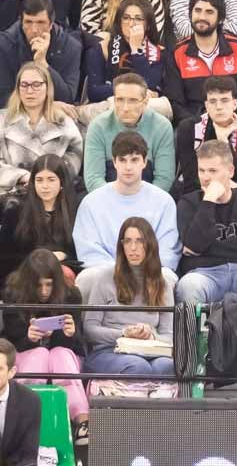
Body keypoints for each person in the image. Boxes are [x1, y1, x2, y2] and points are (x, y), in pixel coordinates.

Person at [174, 141, 237, 305]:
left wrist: (205, 249)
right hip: (206, 275)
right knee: (188, 285)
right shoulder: (188, 203)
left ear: (230, 171)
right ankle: (197, 332)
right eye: (202, 170)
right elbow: (193, 243)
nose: (206, 177)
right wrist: (209, 201)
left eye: (213, 171)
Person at [2, 249, 87, 442]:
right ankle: (21, 416)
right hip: (26, 354)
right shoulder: (13, 294)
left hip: (64, 355)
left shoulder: (71, 295)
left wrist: (68, 334)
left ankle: (82, 421)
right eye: (38, 285)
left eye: (49, 285)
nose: (43, 291)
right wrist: (28, 338)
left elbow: (75, 345)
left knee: (59, 354)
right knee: (39, 353)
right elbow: (11, 341)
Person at [81, 216, 176, 377]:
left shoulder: (162, 282)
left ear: (150, 245)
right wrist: (124, 333)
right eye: (128, 241)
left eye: (140, 241)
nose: (133, 248)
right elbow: (89, 330)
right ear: (121, 245)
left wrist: (151, 335)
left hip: (149, 350)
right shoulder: (104, 278)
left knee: (166, 366)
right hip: (110, 351)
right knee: (137, 367)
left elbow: (168, 336)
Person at [164, 0, 237, 121]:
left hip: (234, 120)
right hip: (194, 124)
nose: (201, 17)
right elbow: (176, 103)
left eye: (209, 12)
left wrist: (226, 119)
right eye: (197, 11)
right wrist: (200, 124)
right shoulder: (177, 53)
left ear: (220, 19)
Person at [80, 71, 175, 193]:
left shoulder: (162, 127)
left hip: (149, 199)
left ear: (145, 102)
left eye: (132, 100)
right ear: (113, 100)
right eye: (120, 100)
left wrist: (141, 204)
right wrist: (118, 203)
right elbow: (94, 179)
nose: (125, 108)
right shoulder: (98, 126)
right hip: (107, 199)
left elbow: (164, 179)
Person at [173, 76, 237, 196]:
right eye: (213, 101)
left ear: (235, 104)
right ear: (206, 105)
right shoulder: (188, 128)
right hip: (199, 192)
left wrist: (223, 142)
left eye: (224, 100)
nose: (218, 107)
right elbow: (191, 176)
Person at [0, 61, 80, 203]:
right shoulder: (3, 120)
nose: (29, 91)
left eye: (36, 85)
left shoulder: (63, 121)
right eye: (24, 85)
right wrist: (23, 177)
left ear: (47, 87)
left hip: (55, 194)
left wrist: (48, 180)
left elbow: (74, 156)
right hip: (13, 193)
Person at [0, 0, 81, 107]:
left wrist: (43, 63)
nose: (34, 30)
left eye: (40, 22)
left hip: (54, 115)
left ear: (51, 24)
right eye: (28, 22)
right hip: (14, 113)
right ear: (21, 22)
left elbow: (67, 98)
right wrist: (45, 106)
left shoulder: (71, 47)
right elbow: (3, 97)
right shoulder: (4, 44)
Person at [2, 154, 78, 270]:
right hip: (24, 274)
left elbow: (81, 252)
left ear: (61, 182)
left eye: (51, 180)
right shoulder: (15, 211)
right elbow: (5, 256)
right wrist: (42, 259)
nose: (45, 186)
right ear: (33, 182)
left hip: (65, 272)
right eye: (39, 180)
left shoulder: (75, 210)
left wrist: (65, 255)